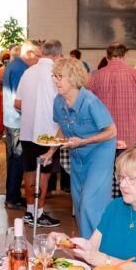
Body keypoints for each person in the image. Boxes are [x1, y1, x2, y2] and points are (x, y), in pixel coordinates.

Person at [41, 57, 117, 238]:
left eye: (60, 76)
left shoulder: (90, 101)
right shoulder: (58, 102)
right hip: (78, 155)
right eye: (54, 76)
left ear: (73, 78)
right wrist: (51, 151)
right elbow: (62, 127)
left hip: (100, 153)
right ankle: (86, 244)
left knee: (91, 202)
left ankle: (99, 247)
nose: (55, 80)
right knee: (79, 201)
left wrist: (82, 141)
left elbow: (112, 131)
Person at [16, 39, 62, 227]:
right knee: (43, 173)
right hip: (48, 132)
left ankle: (29, 212)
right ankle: (39, 214)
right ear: (58, 55)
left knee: (29, 171)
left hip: (27, 130)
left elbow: (17, 103)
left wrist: (31, 111)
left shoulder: (28, 72)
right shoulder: (56, 74)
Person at [87, 42, 136, 151]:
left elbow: (87, 105)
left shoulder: (96, 75)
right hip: (129, 135)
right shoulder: (135, 74)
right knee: (127, 167)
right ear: (125, 55)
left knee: (107, 167)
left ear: (107, 57)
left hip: (104, 135)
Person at [2, 42, 33, 210]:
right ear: (28, 54)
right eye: (36, 56)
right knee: (18, 161)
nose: (37, 60)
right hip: (17, 121)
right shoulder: (21, 69)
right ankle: (12, 197)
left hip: (10, 120)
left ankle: (12, 194)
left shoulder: (13, 64)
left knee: (13, 160)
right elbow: (18, 100)